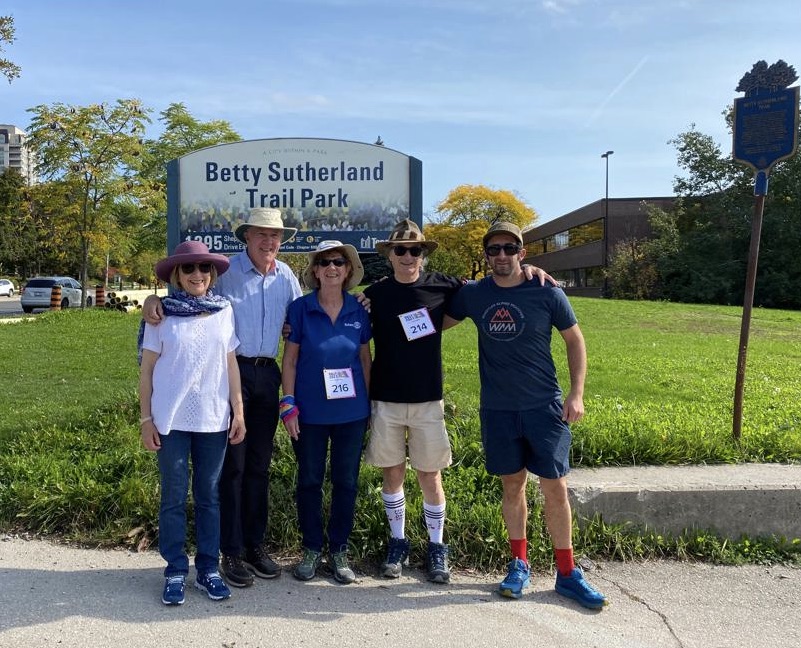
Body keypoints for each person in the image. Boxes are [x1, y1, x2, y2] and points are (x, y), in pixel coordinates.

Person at [362, 219, 551, 584]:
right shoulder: (375, 294)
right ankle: (398, 541)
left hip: (428, 398)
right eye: (400, 250)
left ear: (423, 254)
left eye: (414, 250)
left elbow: (492, 286)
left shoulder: (444, 285)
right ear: (389, 255)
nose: (407, 256)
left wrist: (525, 267)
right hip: (385, 398)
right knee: (392, 473)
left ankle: (437, 547)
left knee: (430, 474)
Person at [445, 221, 607, 609]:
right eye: (493, 249)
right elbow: (432, 320)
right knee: (512, 487)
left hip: (544, 407)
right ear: (486, 255)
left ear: (522, 252)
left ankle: (567, 573)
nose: (501, 255)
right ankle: (519, 564)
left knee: (555, 487)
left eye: (509, 247)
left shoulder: (545, 290)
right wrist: (377, 308)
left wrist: (577, 393)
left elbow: (575, 340)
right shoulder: (475, 294)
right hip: (498, 410)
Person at [143, 207, 302, 588]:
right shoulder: (225, 273)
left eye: (275, 236)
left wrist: (360, 303)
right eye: (261, 234)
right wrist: (152, 298)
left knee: (259, 467)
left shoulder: (287, 277)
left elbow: (302, 316)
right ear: (246, 236)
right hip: (230, 375)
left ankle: (254, 545)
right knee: (231, 469)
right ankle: (228, 551)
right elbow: (186, 298)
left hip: (268, 375)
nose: (268, 242)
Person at [138, 240, 246, 606]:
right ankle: (174, 570)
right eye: (188, 269)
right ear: (176, 276)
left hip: (213, 419)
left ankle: (208, 569)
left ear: (212, 274)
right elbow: (147, 370)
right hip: (170, 420)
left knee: (208, 497)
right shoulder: (160, 314)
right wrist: (146, 419)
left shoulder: (224, 310)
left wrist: (238, 411)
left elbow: (230, 363)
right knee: (172, 496)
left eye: (203, 268)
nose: (197, 274)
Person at [280, 240, 372, 584]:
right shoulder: (300, 309)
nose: (332, 268)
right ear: (315, 271)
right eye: (325, 262)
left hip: (352, 413)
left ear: (348, 270)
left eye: (339, 262)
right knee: (309, 481)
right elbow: (289, 359)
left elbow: (364, 359)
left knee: (346, 482)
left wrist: (371, 407)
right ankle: (311, 548)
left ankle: (338, 550)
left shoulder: (359, 310)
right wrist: (287, 403)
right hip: (309, 414)